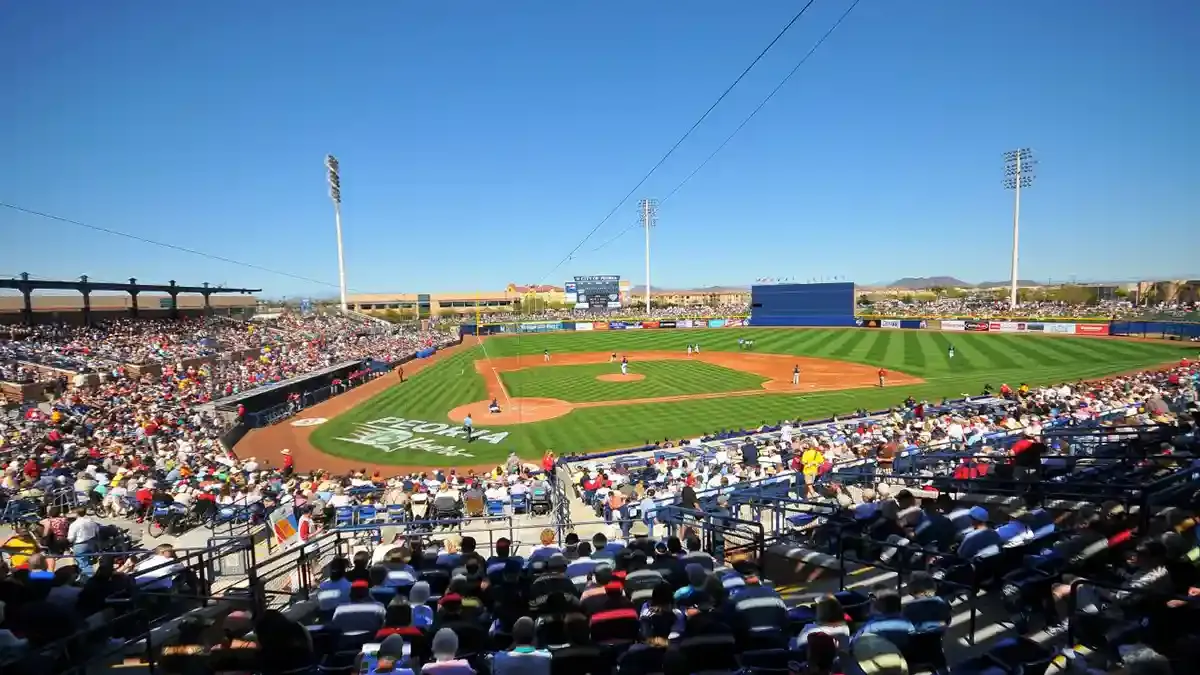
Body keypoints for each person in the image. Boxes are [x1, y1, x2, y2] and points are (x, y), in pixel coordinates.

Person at [67, 507, 100, 578]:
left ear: (76, 514)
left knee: (83, 564)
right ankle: (84, 578)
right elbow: (97, 531)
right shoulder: (91, 521)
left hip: (80, 544)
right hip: (91, 542)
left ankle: (90, 579)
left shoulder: (74, 524)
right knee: (88, 562)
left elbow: (70, 538)